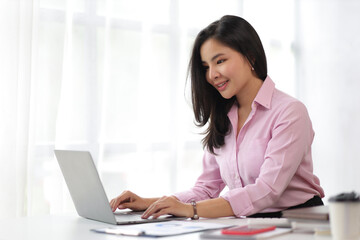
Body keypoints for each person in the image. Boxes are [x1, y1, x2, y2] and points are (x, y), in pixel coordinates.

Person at [110, 15, 325, 219]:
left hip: (297, 221)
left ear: (250, 56)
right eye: (206, 67)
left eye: (220, 61)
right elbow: (207, 188)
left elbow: (267, 189)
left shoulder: (290, 112)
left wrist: (191, 210)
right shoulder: (224, 117)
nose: (212, 75)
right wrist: (149, 203)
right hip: (248, 221)